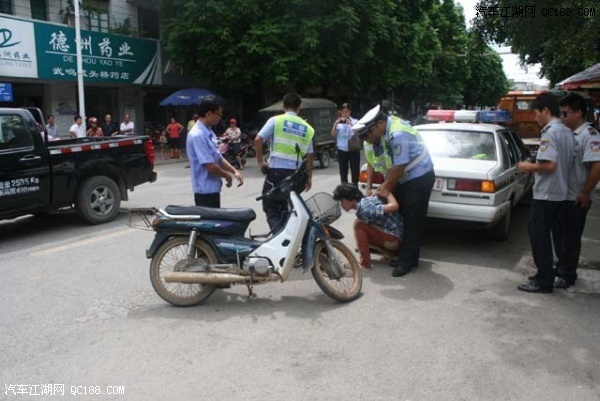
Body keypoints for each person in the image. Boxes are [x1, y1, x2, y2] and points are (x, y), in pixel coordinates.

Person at [352, 104, 435, 278]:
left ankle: (407, 262)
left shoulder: (397, 134)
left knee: (413, 220)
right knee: (405, 217)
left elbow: (400, 165)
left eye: (369, 134)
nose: (369, 139)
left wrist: (386, 187)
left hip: (418, 178)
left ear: (379, 124)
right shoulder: (389, 130)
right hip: (407, 177)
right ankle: (408, 256)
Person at [515, 93, 575, 294]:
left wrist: (527, 167)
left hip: (547, 193)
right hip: (560, 192)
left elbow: (549, 165)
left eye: (536, 112)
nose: (535, 117)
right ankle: (546, 274)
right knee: (547, 234)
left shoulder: (550, 132)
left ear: (546, 110)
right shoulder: (566, 131)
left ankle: (544, 280)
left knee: (538, 235)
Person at [552, 94, 600, 289]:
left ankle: (567, 273)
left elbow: (597, 166)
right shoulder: (567, 133)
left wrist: (585, 192)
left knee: (571, 237)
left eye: (566, 113)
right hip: (561, 194)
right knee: (559, 234)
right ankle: (562, 265)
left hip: (576, 196)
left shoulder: (589, 135)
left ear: (579, 112)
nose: (563, 118)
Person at [255, 93, 314, 232]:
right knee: (290, 205)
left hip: (276, 173)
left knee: (271, 206)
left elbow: (258, 140)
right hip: (297, 175)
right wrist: (309, 178)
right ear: (299, 108)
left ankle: (279, 238)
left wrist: (260, 162)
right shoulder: (307, 128)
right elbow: (310, 155)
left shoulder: (276, 121)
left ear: (283, 106)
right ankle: (289, 235)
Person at [186, 95, 243, 208]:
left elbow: (218, 158)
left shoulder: (209, 132)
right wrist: (226, 176)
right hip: (204, 191)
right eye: (219, 114)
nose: (220, 117)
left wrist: (234, 171)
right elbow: (210, 166)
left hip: (212, 189)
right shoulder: (198, 135)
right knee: (210, 223)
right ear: (209, 114)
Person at [333, 183, 403, 270]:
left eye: (341, 201)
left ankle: (365, 263)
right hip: (394, 237)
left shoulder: (365, 207)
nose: (341, 204)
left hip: (395, 240)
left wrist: (387, 192)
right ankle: (390, 254)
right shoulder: (363, 203)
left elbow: (394, 206)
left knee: (359, 225)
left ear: (348, 200)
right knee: (362, 224)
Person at [331, 103, 360, 184]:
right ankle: (344, 189)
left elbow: (357, 133)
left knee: (355, 171)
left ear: (350, 112)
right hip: (342, 149)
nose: (345, 114)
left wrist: (350, 124)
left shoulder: (355, 121)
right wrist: (336, 123)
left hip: (353, 149)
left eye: (347, 111)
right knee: (343, 172)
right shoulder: (339, 123)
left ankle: (355, 188)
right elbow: (333, 134)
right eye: (343, 112)